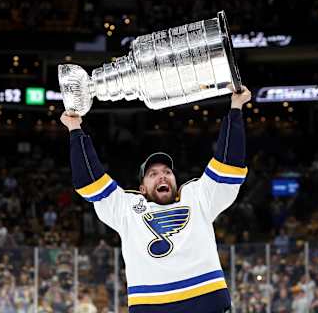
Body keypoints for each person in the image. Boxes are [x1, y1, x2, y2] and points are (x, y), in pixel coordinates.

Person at [60, 86, 251, 313]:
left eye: (167, 172)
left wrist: (236, 108)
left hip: (206, 301)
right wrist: (74, 128)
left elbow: (229, 165)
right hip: (152, 306)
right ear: (142, 188)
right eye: (153, 174)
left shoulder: (197, 196)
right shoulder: (127, 208)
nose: (162, 175)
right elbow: (89, 180)